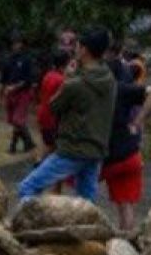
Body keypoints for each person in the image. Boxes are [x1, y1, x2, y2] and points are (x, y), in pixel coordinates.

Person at [16, 28, 117, 202]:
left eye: (77, 45)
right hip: (96, 149)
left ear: (84, 50)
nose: (74, 49)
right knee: (86, 203)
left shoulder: (74, 84)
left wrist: (68, 79)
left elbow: (53, 107)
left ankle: (34, 226)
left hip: (72, 149)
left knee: (27, 188)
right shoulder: (110, 79)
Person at [100, 71, 151, 232]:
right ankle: (126, 241)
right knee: (126, 205)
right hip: (131, 155)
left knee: (79, 187)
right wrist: (137, 122)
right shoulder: (121, 88)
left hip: (108, 159)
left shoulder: (93, 90)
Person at [0, 34, 35, 153]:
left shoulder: (26, 60)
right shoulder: (7, 60)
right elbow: (3, 79)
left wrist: (14, 87)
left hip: (23, 92)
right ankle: (28, 142)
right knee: (13, 121)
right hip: (10, 92)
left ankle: (13, 145)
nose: (16, 46)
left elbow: (28, 80)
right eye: (14, 43)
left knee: (18, 120)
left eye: (18, 43)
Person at [36, 48, 70, 161]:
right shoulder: (61, 80)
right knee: (53, 146)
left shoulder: (48, 75)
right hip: (52, 117)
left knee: (46, 141)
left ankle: (39, 161)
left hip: (42, 113)